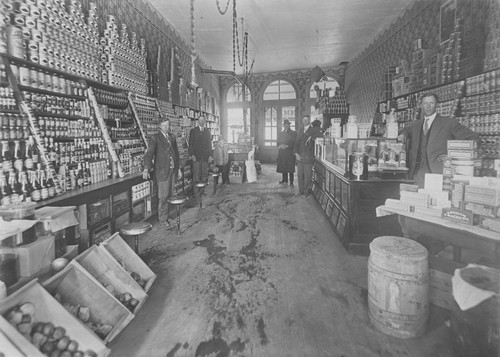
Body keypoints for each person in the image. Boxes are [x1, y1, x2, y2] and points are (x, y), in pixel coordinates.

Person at [398, 92, 477, 187]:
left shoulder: (448, 123)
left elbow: (473, 139)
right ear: (421, 105)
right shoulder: (416, 124)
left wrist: (453, 155)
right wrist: (403, 134)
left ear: (437, 105)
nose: (428, 106)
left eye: (431, 103)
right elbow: (406, 131)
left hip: (438, 175)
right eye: (425, 103)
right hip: (417, 175)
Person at [143, 119, 181, 227]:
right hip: (162, 171)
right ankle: (163, 219)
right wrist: (146, 168)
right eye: (164, 125)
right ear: (160, 126)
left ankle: (167, 216)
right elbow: (149, 154)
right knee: (163, 197)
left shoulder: (172, 137)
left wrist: (178, 169)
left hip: (172, 170)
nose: (166, 127)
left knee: (171, 195)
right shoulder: (155, 138)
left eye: (167, 125)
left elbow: (176, 154)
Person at [294, 115, 323, 197]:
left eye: (307, 120)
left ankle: (306, 193)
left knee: (307, 176)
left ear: (309, 121)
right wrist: (296, 153)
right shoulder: (300, 130)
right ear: (302, 121)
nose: (305, 121)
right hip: (300, 156)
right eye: (304, 120)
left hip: (308, 156)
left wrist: (312, 137)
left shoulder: (314, 129)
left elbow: (322, 136)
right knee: (300, 175)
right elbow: (296, 143)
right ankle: (300, 191)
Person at [188, 115, 213, 188]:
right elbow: (191, 144)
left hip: (205, 157)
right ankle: (196, 192)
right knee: (196, 174)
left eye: (203, 120)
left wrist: (210, 155)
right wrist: (192, 154)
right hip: (196, 156)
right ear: (198, 121)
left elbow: (209, 144)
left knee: (204, 174)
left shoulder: (207, 131)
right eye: (200, 120)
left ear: (205, 122)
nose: (201, 122)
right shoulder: (193, 131)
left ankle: (203, 191)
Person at [276, 119, 296, 185]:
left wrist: (287, 146)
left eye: (287, 124)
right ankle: (284, 180)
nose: (286, 126)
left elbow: (294, 143)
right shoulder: (281, 133)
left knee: (290, 167)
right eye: (285, 124)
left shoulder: (293, 133)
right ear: (283, 125)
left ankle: (291, 181)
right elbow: (278, 142)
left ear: (289, 125)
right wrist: (280, 145)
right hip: (282, 152)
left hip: (289, 152)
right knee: (283, 166)